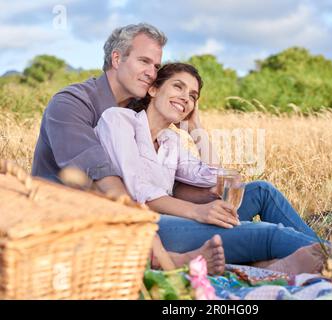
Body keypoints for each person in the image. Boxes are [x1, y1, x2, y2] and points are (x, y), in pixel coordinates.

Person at [95, 62, 330, 275]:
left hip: (177, 216)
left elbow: (213, 179)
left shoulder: (171, 141)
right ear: (153, 89)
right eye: (178, 87)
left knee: (262, 191)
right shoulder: (118, 120)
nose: (185, 98)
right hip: (149, 227)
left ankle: (314, 254)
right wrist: (198, 212)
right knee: (268, 234)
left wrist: (196, 127)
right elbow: (138, 189)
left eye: (192, 96)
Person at [31, 23, 225, 275]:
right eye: (144, 61)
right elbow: (106, 179)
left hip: (141, 210)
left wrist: (196, 129)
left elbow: (187, 180)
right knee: (262, 235)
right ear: (117, 58)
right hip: (74, 220)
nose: (151, 73)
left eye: (156, 66)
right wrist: (178, 218)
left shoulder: (139, 113)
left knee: (259, 192)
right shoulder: (71, 103)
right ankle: (166, 260)